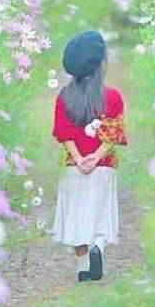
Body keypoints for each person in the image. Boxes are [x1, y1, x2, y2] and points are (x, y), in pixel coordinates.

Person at [51, 30, 127, 282]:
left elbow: (64, 133)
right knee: (100, 212)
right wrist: (95, 157)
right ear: (100, 65)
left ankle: (84, 267)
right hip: (103, 167)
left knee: (77, 215)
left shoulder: (65, 97)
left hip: (74, 167)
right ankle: (98, 247)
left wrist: (80, 158)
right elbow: (113, 134)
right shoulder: (113, 97)